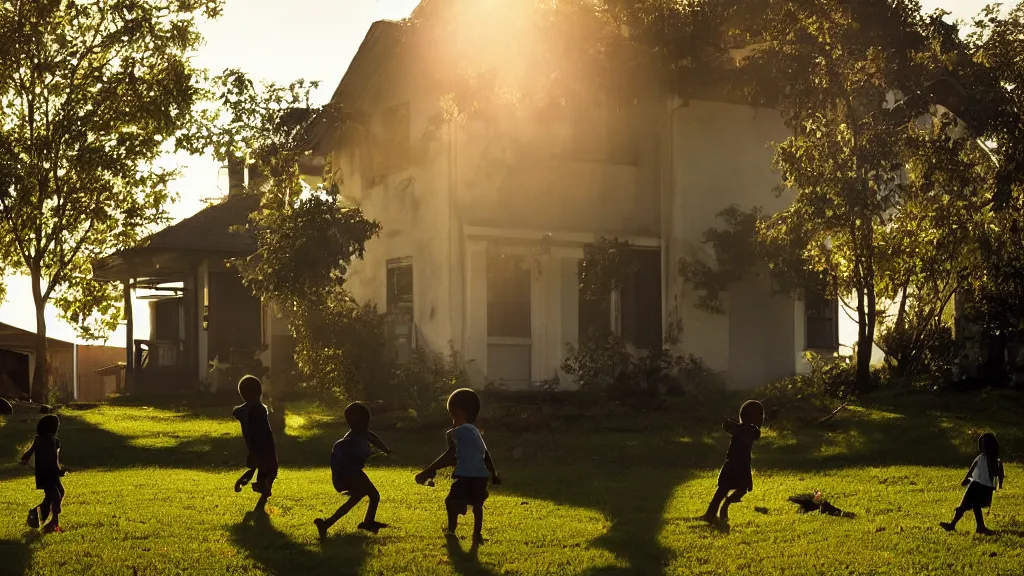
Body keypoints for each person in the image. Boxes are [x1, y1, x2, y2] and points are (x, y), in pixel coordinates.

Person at [415, 388, 501, 544]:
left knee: (450, 502)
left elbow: (451, 456)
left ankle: (451, 529)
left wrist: (428, 471)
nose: (452, 422)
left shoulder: (458, 431)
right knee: (477, 504)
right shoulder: (475, 432)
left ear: (459, 413)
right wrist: (493, 473)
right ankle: (477, 534)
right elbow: (485, 454)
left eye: (452, 416)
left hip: (466, 476)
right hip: (481, 477)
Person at [314, 402, 392, 538]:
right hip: (352, 474)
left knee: (355, 499)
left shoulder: (361, 434)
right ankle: (368, 522)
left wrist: (386, 450)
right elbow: (343, 460)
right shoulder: (350, 439)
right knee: (374, 495)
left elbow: (373, 438)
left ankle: (326, 524)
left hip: (353, 473)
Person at [702, 400, 764, 525]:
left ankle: (719, 510)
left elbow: (729, 426)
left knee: (729, 490)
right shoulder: (748, 430)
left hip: (735, 464)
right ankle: (715, 512)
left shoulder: (745, 430)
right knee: (731, 489)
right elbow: (728, 426)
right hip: (738, 464)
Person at [940, 432, 1005, 535]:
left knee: (974, 506)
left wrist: (998, 483)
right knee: (966, 505)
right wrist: (966, 478)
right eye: (982, 445)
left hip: (984, 486)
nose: (983, 447)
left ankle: (973, 526)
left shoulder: (994, 460)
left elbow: (998, 473)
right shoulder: (980, 457)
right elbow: (972, 467)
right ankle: (956, 525)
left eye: (985, 445)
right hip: (975, 485)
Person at [232, 375, 278, 508]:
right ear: (259, 392)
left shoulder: (244, 410)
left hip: (254, 446)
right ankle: (262, 487)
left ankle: (250, 483)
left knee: (257, 467)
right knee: (269, 470)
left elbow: (236, 412)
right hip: (265, 445)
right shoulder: (259, 409)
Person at [20, 414, 67, 533]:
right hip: (45, 473)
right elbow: (31, 451)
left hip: (53, 473)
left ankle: (37, 515)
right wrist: (24, 459)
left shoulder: (55, 441)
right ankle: (53, 523)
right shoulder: (40, 440)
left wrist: (59, 469)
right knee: (55, 495)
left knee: (58, 493)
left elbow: (55, 459)